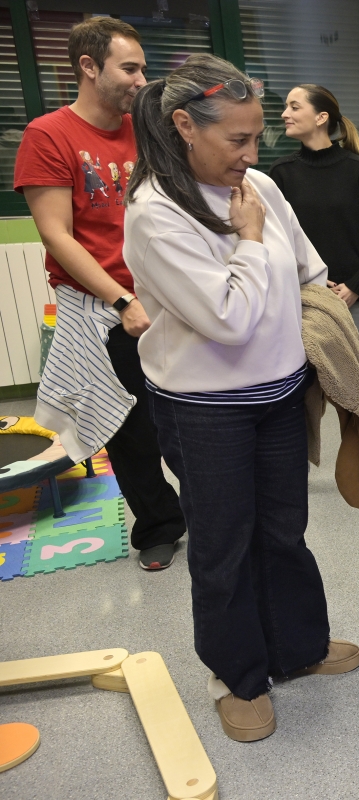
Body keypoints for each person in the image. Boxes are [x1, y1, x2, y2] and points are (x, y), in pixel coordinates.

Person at [124, 53, 359, 743]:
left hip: (279, 395)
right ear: (184, 126)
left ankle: (297, 647)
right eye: (237, 139)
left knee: (284, 531)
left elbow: (310, 269)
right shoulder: (155, 212)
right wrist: (252, 241)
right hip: (205, 409)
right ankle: (237, 677)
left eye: (258, 136)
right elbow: (228, 320)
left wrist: (291, 305)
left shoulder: (259, 186)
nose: (252, 154)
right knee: (223, 544)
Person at [14, 17, 186, 571]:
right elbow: (56, 234)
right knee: (130, 429)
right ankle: (159, 526)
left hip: (166, 297)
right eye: (129, 68)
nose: (141, 80)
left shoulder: (148, 128)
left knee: (186, 417)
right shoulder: (49, 135)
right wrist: (121, 300)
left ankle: (211, 511)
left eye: (143, 68)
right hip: (106, 309)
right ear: (89, 67)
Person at [271, 84, 359, 390]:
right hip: (304, 299)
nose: (285, 113)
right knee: (305, 391)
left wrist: (355, 287)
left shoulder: (358, 170)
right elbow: (275, 242)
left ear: (321, 117)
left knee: (358, 391)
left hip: (357, 301)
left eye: (294, 106)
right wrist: (306, 282)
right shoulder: (281, 173)